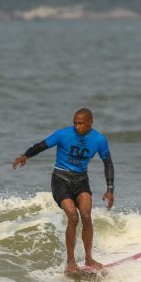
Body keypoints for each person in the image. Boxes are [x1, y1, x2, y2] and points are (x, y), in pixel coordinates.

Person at [13, 108, 115, 273]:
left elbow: (108, 163)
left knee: (87, 215)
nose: (77, 126)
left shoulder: (99, 140)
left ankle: (89, 257)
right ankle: (71, 261)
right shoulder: (63, 134)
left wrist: (110, 189)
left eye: (81, 123)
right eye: (75, 122)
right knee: (73, 217)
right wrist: (26, 155)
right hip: (60, 180)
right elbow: (41, 145)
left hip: (81, 180)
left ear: (90, 123)